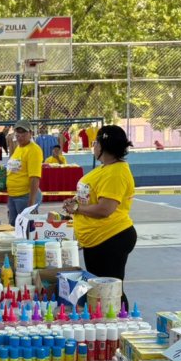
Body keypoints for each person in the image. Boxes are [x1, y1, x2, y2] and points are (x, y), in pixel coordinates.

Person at [63, 125, 137, 309]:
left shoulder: (116, 172)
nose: (93, 146)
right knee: (100, 289)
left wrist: (77, 208)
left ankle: (120, 321)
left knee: (109, 291)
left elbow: (105, 209)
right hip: (97, 240)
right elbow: (92, 196)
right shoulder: (106, 168)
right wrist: (75, 201)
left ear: (103, 146)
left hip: (110, 239)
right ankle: (109, 318)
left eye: (95, 142)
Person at [6, 119, 44, 226]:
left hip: (25, 196)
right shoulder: (19, 148)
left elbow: (35, 178)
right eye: (18, 132)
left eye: (23, 132)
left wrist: (31, 204)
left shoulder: (34, 150)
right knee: (14, 226)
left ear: (30, 133)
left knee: (25, 229)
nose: (20, 135)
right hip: (13, 195)